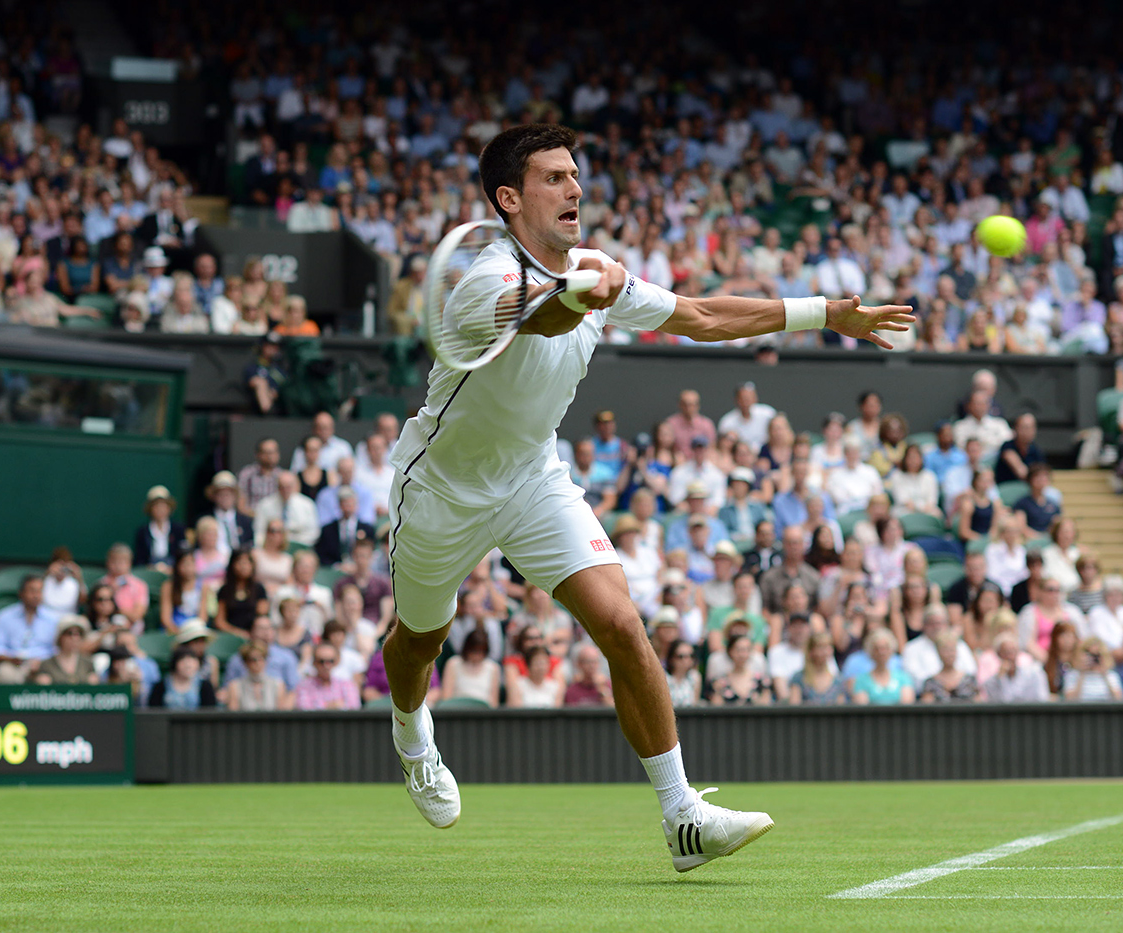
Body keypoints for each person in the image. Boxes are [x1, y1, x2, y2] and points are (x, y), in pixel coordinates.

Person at [381, 124, 910, 867]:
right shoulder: (484, 285)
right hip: (442, 489)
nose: (575, 188)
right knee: (418, 643)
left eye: (575, 174)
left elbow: (698, 317)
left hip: (533, 478)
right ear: (508, 197)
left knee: (622, 623)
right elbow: (547, 316)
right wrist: (582, 290)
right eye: (554, 177)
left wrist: (824, 312)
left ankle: (683, 815)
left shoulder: (594, 273)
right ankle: (411, 733)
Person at [0, 575, 60, 684]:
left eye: (39, 591)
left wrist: (42, 663)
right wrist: (11, 659)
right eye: (32, 591)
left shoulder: (52, 619)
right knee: (4, 673)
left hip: (42, 665)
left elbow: (57, 650)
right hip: (12, 664)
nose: (36, 595)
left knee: (46, 680)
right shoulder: (4, 616)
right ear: (21, 593)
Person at [850, 628, 915, 705]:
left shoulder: (903, 677)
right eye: (877, 649)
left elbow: (907, 705)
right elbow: (862, 707)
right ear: (871, 651)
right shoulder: (862, 680)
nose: (882, 652)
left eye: (885, 648)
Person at [212, 548, 268, 638]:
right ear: (233, 565)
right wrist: (238, 633)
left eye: (247, 562)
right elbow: (220, 621)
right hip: (231, 636)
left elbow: (262, 615)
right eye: (240, 562)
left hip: (254, 636)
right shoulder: (225, 590)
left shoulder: (259, 589)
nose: (243, 566)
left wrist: (252, 634)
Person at [981, 631, 1051, 702]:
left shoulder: (1034, 673)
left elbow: (1042, 698)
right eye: (1006, 652)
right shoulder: (992, 682)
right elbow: (1002, 702)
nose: (1010, 656)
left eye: (1013, 651)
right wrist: (1000, 678)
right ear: (999, 654)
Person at [441, 628, 501, 707]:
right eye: (474, 651)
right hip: (456, 712)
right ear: (467, 648)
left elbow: (494, 703)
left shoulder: (493, 667)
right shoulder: (453, 663)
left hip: (483, 714)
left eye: (480, 651)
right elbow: (446, 697)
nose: (476, 656)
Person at [225, 641, 292, 711]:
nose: (258, 663)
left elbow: (280, 715)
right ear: (245, 662)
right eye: (253, 660)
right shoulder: (235, 686)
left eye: (261, 658)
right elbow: (233, 715)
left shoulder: (278, 684)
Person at [31, 615, 98, 685]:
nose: (75, 638)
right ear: (60, 637)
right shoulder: (47, 664)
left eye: (79, 634)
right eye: (69, 633)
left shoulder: (87, 663)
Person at [133, 485, 186, 571]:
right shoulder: (142, 532)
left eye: (163, 505)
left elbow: (182, 555)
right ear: (150, 509)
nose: (160, 509)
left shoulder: (178, 529)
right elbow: (139, 560)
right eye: (156, 506)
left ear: (169, 508)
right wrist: (151, 568)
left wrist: (172, 568)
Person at [919, 631, 983, 703]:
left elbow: (979, 704)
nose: (949, 654)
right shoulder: (930, 683)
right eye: (945, 650)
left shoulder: (970, 680)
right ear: (938, 652)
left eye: (952, 650)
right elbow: (926, 708)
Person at [295, 642, 362, 710]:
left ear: (337, 661)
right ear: (314, 662)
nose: (326, 666)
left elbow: (354, 707)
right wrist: (329, 706)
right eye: (321, 661)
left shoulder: (347, 684)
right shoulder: (304, 686)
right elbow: (304, 711)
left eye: (330, 661)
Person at [148, 647, 219, 709]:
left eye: (192, 661)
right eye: (183, 661)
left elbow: (210, 711)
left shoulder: (205, 686)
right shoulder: (160, 686)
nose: (188, 665)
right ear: (175, 663)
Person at [204, 471, 255, 552]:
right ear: (214, 496)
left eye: (228, 494)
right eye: (221, 494)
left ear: (235, 496)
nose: (225, 498)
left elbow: (251, 545)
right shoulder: (206, 520)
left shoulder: (245, 521)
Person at [159, 549, 205, 633]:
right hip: (174, 629)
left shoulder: (203, 587)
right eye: (185, 564)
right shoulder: (168, 586)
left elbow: (203, 617)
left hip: (195, 629)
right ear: (177, 566)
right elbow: (165, 619)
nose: (189, 568)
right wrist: (178, 632)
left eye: (192, 563)